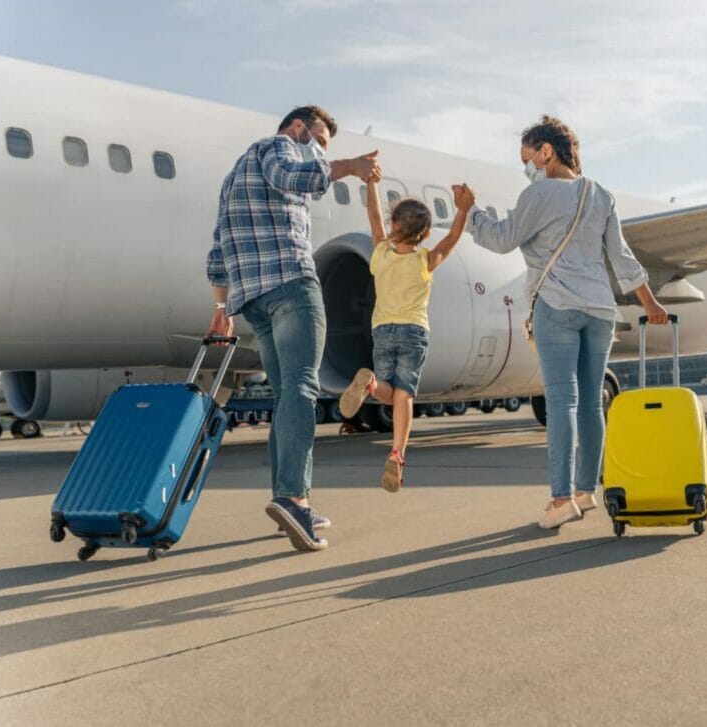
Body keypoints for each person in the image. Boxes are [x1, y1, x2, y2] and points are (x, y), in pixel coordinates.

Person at [461, 116, 669, 529]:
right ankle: (584, 491)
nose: (526, 167)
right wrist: (650, 303)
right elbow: (622, 257)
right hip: (600, 311)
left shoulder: (538, 193)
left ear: (546, 152)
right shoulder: (601, 195)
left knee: (561, 402)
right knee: (592, 404)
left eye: (527, 158)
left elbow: (502, 239)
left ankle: (559, 501)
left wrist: (471, 213)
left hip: (556, 307)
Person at [206, 105, 381, 552]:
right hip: (290, 284)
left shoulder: (233, 177)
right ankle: (294, 497)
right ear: (299, 127)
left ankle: (288, 497)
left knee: (287, 397)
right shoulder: (279, 146)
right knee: (303, 390)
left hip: (253, 300)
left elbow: (217, 246)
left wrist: (221, 307)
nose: (322, 151)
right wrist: (350, 168)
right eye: (320, 141)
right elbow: (294, 177)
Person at [338, 180, 473, 491]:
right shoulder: (424, 260)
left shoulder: (381, 253)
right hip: (414, 330)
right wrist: (462, 209)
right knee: (404, 394)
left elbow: (373, 217)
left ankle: (370, 383)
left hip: (382, 329)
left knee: (387, 390)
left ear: (393, 224)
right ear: (425, 234)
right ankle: (398, 453)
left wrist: (371, 183)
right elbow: (451, 239)